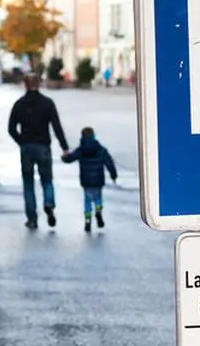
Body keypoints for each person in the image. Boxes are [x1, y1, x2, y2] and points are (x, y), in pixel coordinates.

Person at [8, 74, 70, 229]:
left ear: (25, 85)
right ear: (39, 84)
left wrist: (21, 141)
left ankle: (32, 219)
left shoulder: (19, 104)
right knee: (47, 180)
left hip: (26, 148)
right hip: (43, 147)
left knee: (28, 183)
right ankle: (49, 203)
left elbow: (11, 128)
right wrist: (64, 147)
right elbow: (56, 127)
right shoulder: (47, 103)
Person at [62, 127, 118, 233]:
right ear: (93, 136)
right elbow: (109, 163)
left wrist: (64, 157)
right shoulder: (101, 149)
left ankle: (88, 220)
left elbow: (70, 158)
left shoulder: (80, 149)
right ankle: (98, 210)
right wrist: (113, 175)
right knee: (98, 198)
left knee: (87, 201)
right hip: (98, 180)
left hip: (86, 180)